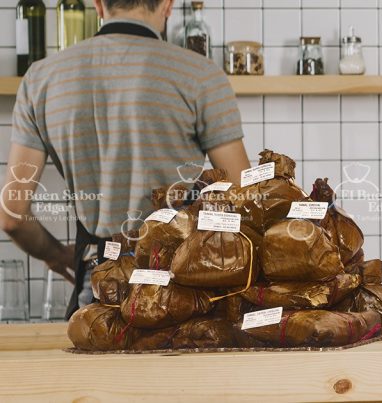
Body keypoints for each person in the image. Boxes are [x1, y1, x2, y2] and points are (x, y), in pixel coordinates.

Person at [0, 0, 250, 318]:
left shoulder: (40, 78)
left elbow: (12, 216)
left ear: (99, 6)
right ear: (168, 6)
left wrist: (56, 255)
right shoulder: (200, 74)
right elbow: (243, 196)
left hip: (96, 289)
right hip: (180, 290)